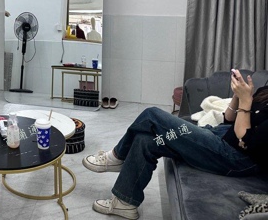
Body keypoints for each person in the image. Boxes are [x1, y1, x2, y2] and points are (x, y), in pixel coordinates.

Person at [82, 69, 268, 219]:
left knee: (152, 115)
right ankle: (124, 203)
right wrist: (238, 96)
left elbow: (245, 141)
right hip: (219, 134)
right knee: (146, 140)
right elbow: (229, 119)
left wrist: (246, 101)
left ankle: (117, 157)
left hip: (235, 157)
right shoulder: (265, 91)